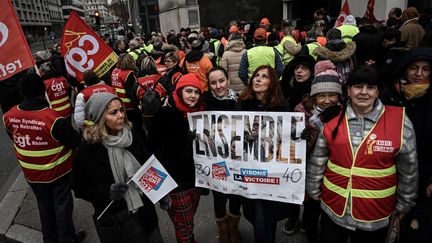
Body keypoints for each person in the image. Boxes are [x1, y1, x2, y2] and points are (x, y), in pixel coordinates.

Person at [307, 65, 418, 243]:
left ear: (378, 91)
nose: (364, 92)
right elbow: (319, 159)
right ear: (349, 91)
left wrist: (405, 203)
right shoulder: (332, 119)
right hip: (334, 208)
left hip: (375, 215)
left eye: (371, 87)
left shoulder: (399, 121)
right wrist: (312, 188)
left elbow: (409, 168)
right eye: (358, 86)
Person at [71, 93, 162, 243]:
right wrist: (107, 191)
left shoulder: (132, 134)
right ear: (100, 118)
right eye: (113, 112)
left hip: (145, 213)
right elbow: (79, 188)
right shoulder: (87, 150)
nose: (121, 115)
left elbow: (148, 165)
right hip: (117, 221)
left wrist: (162, 193)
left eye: (121, 110)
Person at [3, 73, 83, 243]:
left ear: (22, 92)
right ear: (42, 91)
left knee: (44, 207)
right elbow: (75, 142)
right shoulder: (53, 118)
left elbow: (13, 137)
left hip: (32, 174)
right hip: (58, 173)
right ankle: (67, 239)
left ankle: (50, 239)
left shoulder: (9, 116)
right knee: (62, 207)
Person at [380, 48, 432, 237]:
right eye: (414, 68)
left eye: (425, 69)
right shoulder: (389, 96)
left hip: (424, 173)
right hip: (390, 170)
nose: (419, 74)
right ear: (404, 69)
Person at [236, 65, 291, 243]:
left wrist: (299, 135)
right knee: (258, 217)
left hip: (273, 172)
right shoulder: (241, 106)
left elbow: (287, 140)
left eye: (264, 76)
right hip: (250, 171)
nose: (258, 79)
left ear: (272, 82)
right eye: (256, 76)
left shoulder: (282, 109)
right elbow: (232, 137)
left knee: (269, 216)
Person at [291, 60, 343, 242]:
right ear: (314, 96)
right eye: (321, 95)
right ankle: (310, 231)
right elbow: (299, 150)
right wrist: (316, 124)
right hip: (310, 170)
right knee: (311, 208)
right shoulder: (302, 111)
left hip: (335, 169)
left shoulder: (345, 112)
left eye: (332, 95)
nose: (327, 100)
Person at [149, 74, 204, 243]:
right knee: (184, 226)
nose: (193, 95)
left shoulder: (198, 112)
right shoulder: (165, 114)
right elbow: (154, 147)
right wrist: (187, 141)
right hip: (175, 183)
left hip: (195, 178)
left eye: (196, 92)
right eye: (188, 91)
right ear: (179, 91)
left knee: (186, 220)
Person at [202, 67, 241, 243]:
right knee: (219, 196)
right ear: (209, 85)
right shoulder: (204, 104)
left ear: (228, 80)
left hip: (238, 160)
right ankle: (223, 230)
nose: (218, 86)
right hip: (216, 160)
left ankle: (233, 227)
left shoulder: (240, 101)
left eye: (221, 81)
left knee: (236, 195)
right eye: (213, 83)